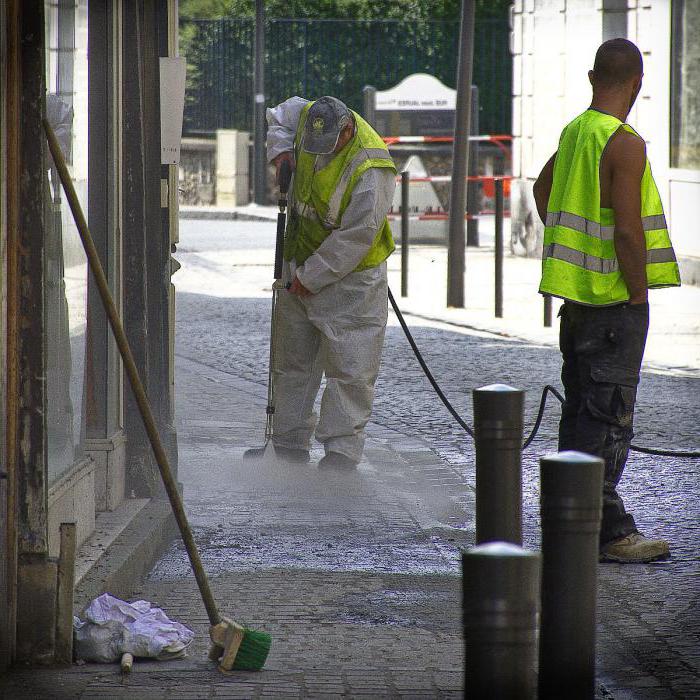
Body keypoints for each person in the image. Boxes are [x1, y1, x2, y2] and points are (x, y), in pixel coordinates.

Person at [533, 39, 681, 563]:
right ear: (637, 85)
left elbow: (542, 192)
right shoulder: (624, 143)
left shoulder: (576, 133)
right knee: (608, 420)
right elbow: (627, 232)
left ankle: (569, 520)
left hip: (575, 306)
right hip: (614, 309)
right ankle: (608, 533)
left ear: (592, 78)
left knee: (580, 415)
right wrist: (638, 297)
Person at [248, 95, 396, 470]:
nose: (320, 154)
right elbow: (276, 119)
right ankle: (287, 443)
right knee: (292, 359)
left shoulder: (372, 167)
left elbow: (357, 236)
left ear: (346, 131)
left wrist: (310, 277)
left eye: (327, 147)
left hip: (352, 281)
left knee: (351, 368)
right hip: (297, 255)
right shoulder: (306, 114)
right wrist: (282, 153)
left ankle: (341, 454)